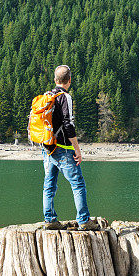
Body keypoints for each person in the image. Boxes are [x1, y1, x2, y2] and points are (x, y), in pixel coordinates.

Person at [42, 65, 99, 231]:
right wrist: (77, 149)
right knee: (78, 184)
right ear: (69, 80)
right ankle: (83, 220)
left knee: (49, 184)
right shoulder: (64, 97)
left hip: (47, 147)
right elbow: (68, 125)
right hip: (62, 147)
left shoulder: (47, 95)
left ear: (55, 80)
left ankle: (50, 219)